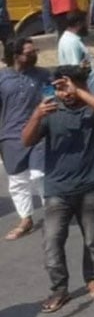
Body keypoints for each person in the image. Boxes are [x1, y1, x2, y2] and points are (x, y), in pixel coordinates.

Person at [21, 65, 94, 313]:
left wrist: (80, 92)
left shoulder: (93, 111)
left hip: (91, 187)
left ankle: (93, 278)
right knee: (52, 241)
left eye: (69, 87)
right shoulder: (50, 112)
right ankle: (59, 290)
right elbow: (26, 140)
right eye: (60, 88)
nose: (65, 94)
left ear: (82, 86)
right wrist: (36, 115)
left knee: (93, 238)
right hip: (57, 190)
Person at [0, 38, 48, 241]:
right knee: (18, 182)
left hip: (39, 135)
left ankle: (55, 214)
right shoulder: (2, 79)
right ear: (16, 56)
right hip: (10, 138)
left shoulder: (44, 76)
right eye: (29, 53)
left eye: (35, 51)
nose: (34, 55)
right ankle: (25, 220)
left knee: (40, 176)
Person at [56, 12, 94, 96]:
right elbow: (75, 71)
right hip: (85, 93)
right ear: (79, 24)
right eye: (86, 22)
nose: (87, 26)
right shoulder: (71, 42)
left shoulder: (72, 39)